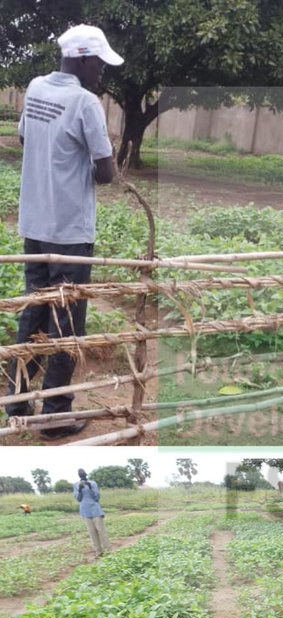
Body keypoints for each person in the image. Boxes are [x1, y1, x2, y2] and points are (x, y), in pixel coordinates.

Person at [4, 25, 122, 440]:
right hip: (70, 231)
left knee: (34, 312)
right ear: (84, 59)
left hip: (34, 226)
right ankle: (56, 414)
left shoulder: (36, 88)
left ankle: (16, 402)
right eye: (100, 64)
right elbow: (106, 171)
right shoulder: (85, 102)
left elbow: (23, 137)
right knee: (66, 323)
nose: (103, 73)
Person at [74, 468, 111, 557]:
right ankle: (98, 552)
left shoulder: (93, 483)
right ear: (78, 475)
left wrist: (90, 487)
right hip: (85, 511)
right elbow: (78, 499)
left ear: (86, 474)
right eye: (80, 473)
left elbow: (97, 498)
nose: (81, 474)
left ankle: (108, 551)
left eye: (82, 472)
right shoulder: (76, 485)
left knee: (101, 531)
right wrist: (79, 489)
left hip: (95, 510)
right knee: (92, 532)